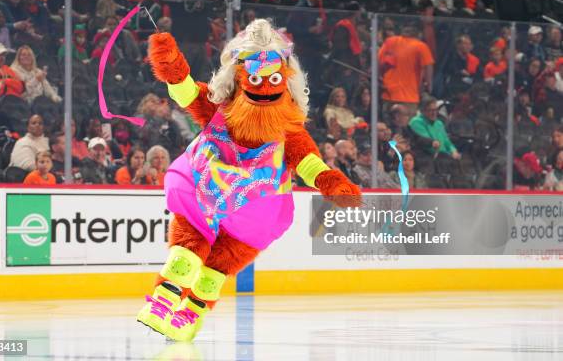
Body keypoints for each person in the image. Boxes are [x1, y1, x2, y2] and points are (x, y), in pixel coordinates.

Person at [136, 19, 360, 342]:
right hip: (208, 187)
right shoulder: (221, 108)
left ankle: (189, 315)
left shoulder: (288, 128)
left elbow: (308, 162)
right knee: (191, 244)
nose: (264, 88)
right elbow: (186, 91)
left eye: (272, 80)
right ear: (241, 78)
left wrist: (329, 180)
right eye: (255, 78)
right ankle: (164, 299)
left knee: (218, 264)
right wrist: (172, 67)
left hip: (255, 209)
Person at [378, 23, 434, 115]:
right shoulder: (421, 46)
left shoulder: (390, 41)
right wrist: (429, 85)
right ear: (419, 34)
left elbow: (379, 61)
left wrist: (379, 77)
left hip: (388, 93)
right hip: (409, 98)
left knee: (388, 125)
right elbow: (428, 66)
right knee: (405, 126)